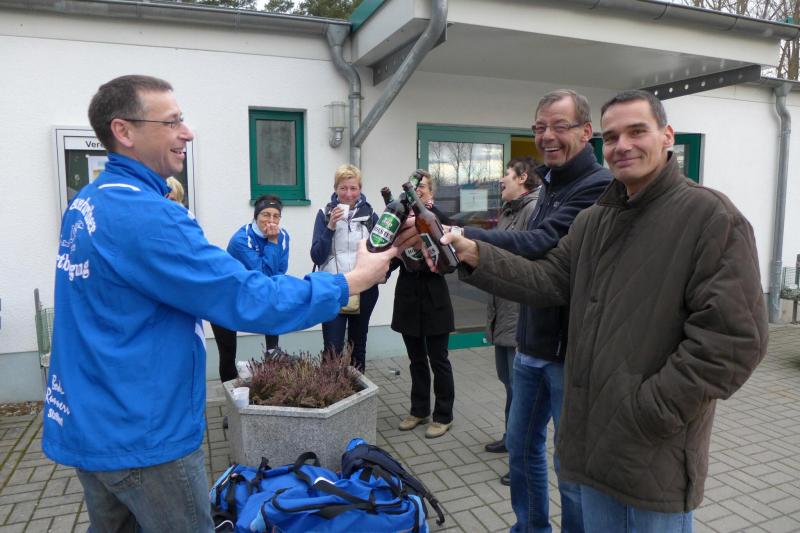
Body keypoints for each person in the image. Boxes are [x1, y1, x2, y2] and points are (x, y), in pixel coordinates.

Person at [42, 75, 399, 533]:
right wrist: (351, 282)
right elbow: (248, 297)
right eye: (172, 122)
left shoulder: (88, 201)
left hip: (91, 423)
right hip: (144, 437)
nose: (187, 133)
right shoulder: (147, 216)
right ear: (124, 131)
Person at [442, 89, 768, 532]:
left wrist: (646, 412)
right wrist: (471, 253)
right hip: (592, 448)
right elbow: (547, 279)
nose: (622, 145)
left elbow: (733, 341)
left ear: (667, 136)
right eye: (612, 137)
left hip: (649, 457)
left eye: (637, 131)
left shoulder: (710, 218)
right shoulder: (595, 220)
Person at [448, 89, 612, 532]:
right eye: (540, 127)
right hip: (532, 343)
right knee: (520, 450)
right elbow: (524, 248)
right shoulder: (548, 185)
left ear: (586, 131)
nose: (547, 136)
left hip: (570, 353)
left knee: (569, 468)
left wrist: (462, 236)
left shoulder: (597, 187)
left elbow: (539, 244)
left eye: (559, 126)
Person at [481, 158, 542, 486]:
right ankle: (510, 438)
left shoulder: (533, 210)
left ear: (522, 178)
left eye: (506, 174)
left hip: (519, 313)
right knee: (508, 383)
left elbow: (528, 258)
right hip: (502, 311)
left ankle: (522, 459)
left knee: (522, 390)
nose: (501, 179)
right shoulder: (508, 211)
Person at [392, 171, 456, 439]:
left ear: (432, 192)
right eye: (415, 188)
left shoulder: (438, 218)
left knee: (438, 360)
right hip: (408, 297)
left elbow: (451, 261)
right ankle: (419, 410)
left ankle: (443, 415)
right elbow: (391, 257)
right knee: (416, 359)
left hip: (434, 298)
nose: (418, 191)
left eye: (424, 188)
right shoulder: (401, 220)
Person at [210, 194, 289, 383]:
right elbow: (264, 276)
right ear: (256, 216)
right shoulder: (241, 239)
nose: (271, 220)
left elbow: (279, 272)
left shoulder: (283, 236)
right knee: (228, 354)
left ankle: (272, 358)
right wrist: (272, 242)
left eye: (276, 216)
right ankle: (231, 395)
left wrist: (274, 241)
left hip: (252, 293)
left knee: (274, 299)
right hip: (225, 299)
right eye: (265, 215)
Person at [310, 164, 380, 372]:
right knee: (332, 349)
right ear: (335, 189)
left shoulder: (371, 216)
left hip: (363, 289)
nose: (348, 194)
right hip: (333, 288)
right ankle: (330, 390)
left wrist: (380, 274)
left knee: (358, 347)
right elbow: (316, 256)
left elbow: (381, 252)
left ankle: (356, 390)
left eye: (353, 188)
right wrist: (330, 226)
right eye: (343, 188)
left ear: (360, 189)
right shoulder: (324, 214)